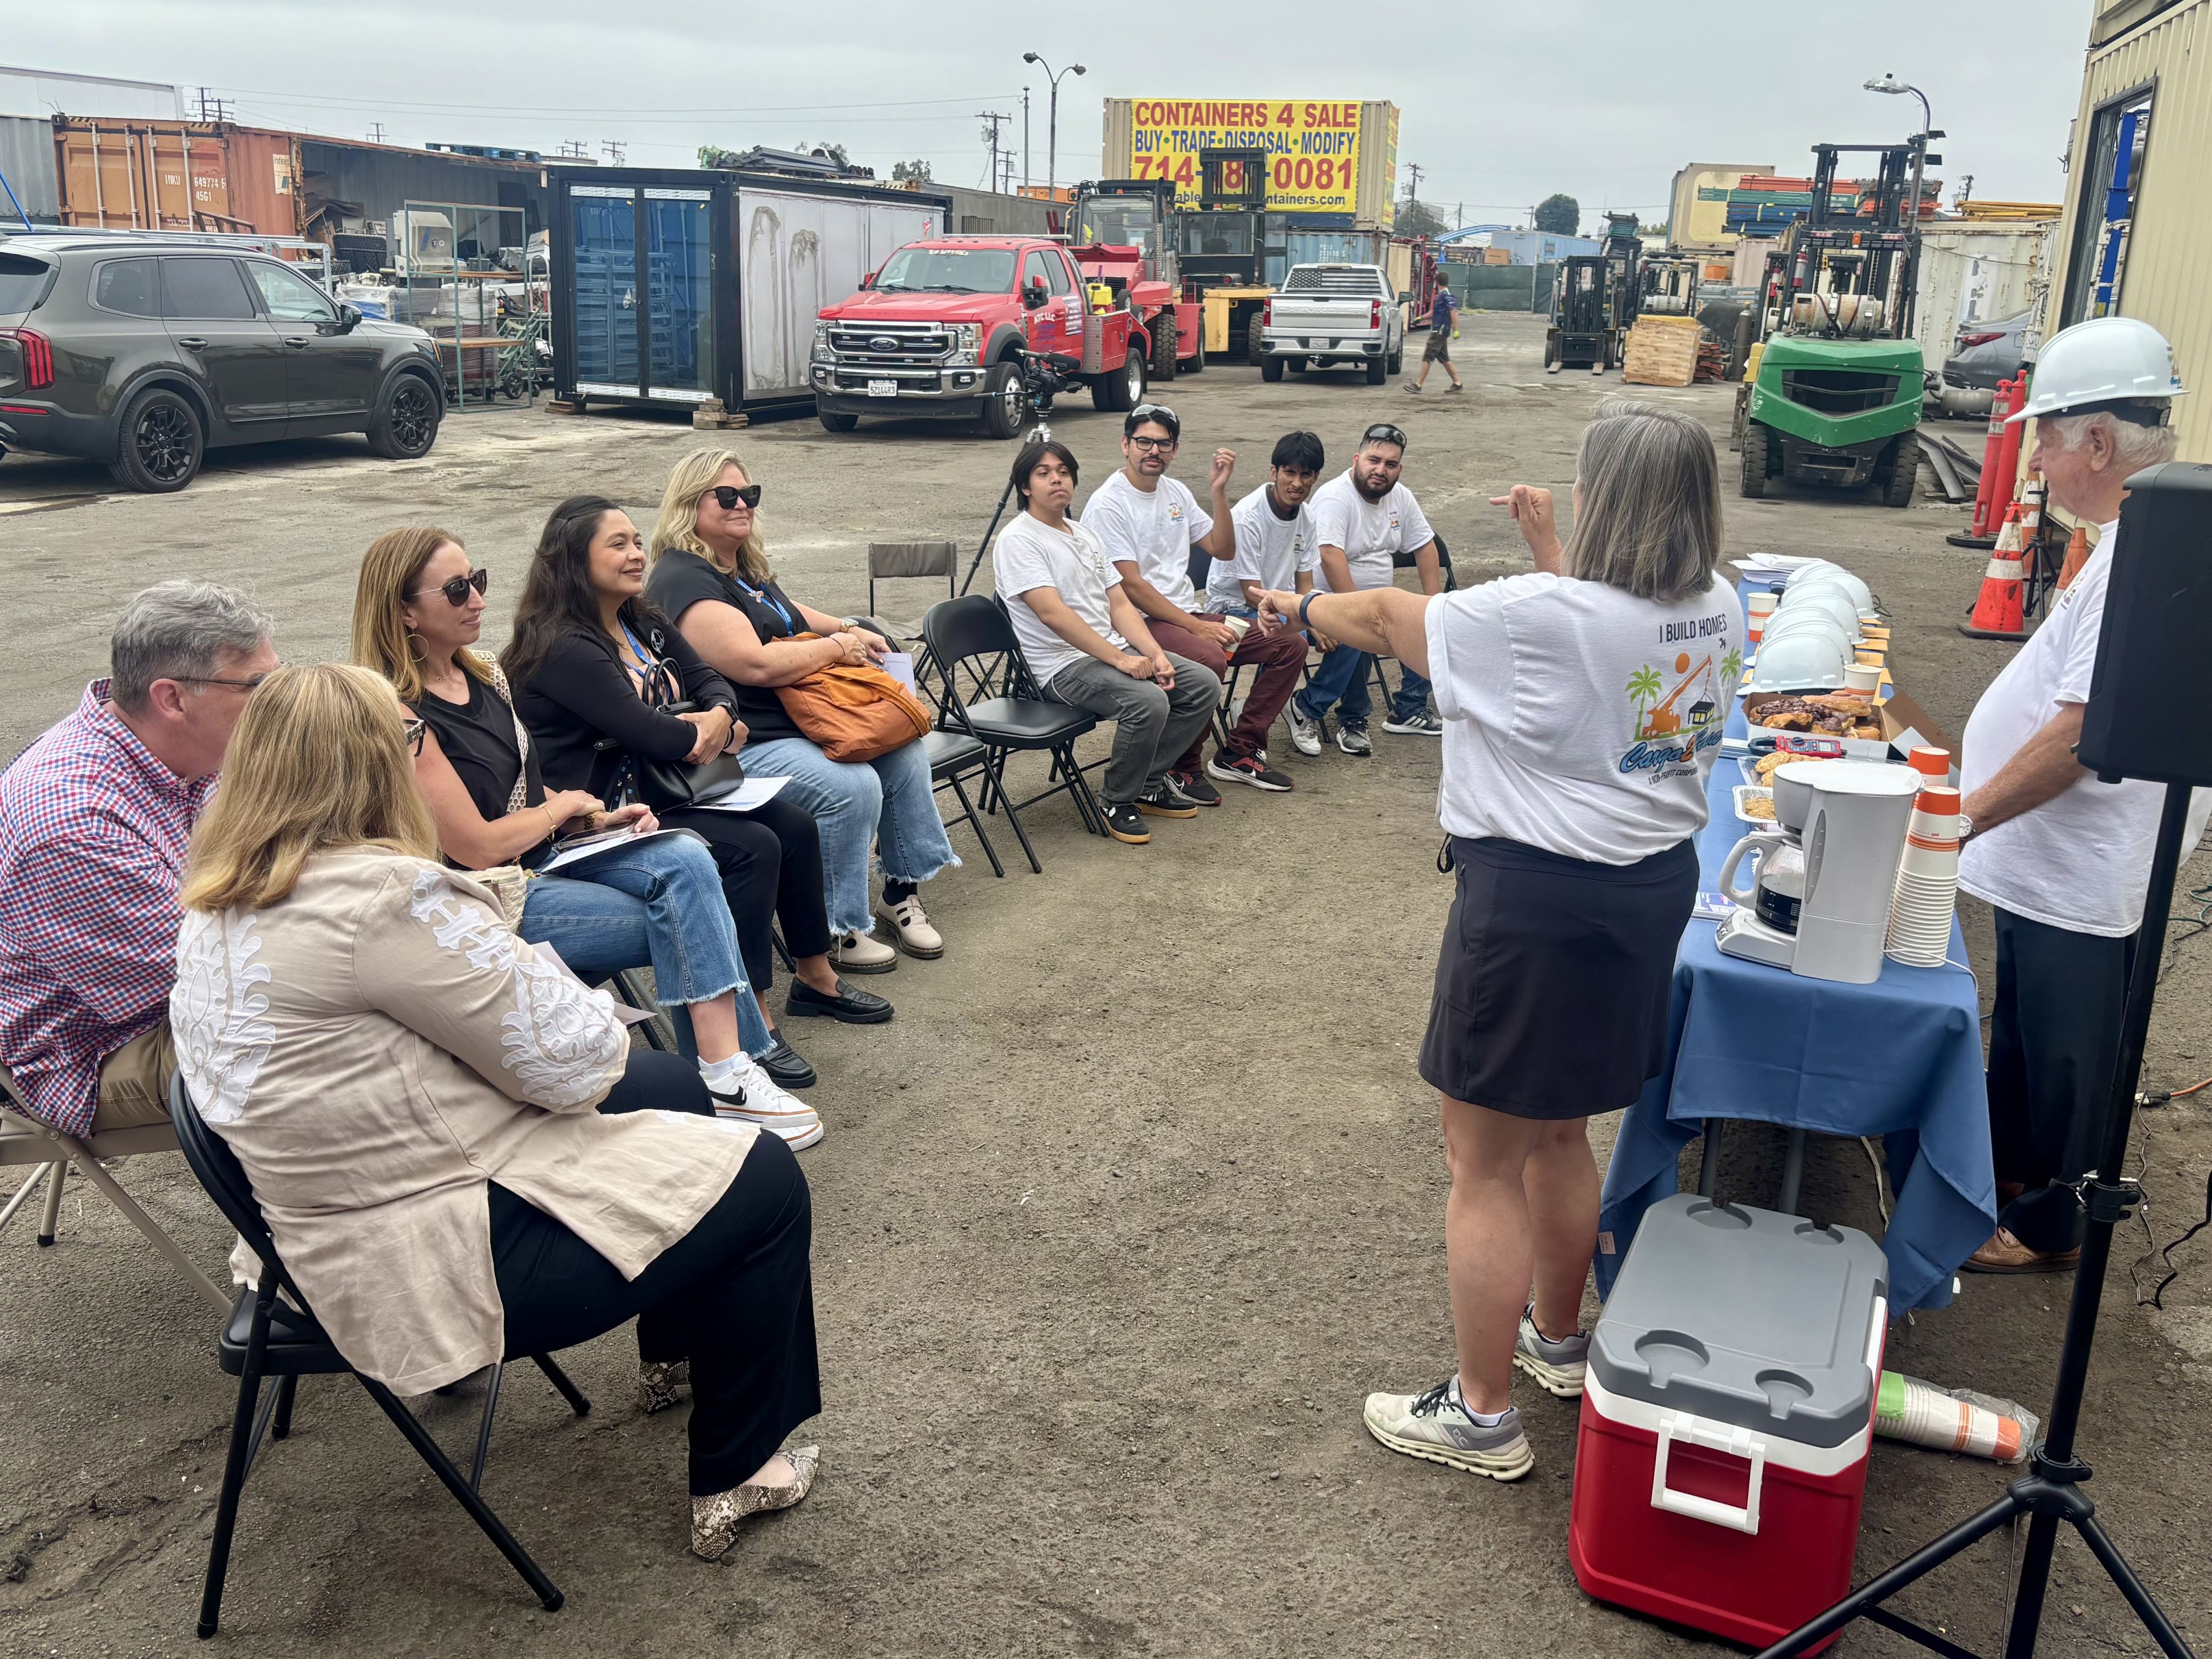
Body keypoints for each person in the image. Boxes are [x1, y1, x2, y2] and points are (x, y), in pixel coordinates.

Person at [167, 664, 820, 1562]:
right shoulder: (382, 899)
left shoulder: (223, 895)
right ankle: (741, 1468)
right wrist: (579, 1003)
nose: (419, 750)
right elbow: (574, 1062)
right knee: (766, 1176)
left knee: (671, 1083)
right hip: (426, 1257)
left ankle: (677, 1356)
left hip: (310, 1229)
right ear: (375, 761)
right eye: (409, 737)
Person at [1256, 400, 1739, 1480]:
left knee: (1478, 1164)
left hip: (1537, 906)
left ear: (1601, 498)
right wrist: (1550, 551)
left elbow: (1389, 617)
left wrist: (1301, 602)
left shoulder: (1531, 614)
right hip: (1645, 891)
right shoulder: (1714, 605)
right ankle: (1556, 1338)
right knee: (1560, 1132)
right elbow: (1602, 650)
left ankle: (1480, 1415)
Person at [349, 527, 816, 1147]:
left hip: (542, 862)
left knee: (685, 856)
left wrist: (594, 819)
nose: (479, 600)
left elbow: (520, 789)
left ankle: (719, 1074)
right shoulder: (397, 711)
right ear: (405, 610)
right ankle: (727, 1073)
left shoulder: (484, 676)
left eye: (478, 581)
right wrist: (564, 808)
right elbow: (474, 846)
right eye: (457, 590)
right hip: (478, 899)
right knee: (691, 912)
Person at [1957, 316, 2206, 1274]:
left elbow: (2080, 733)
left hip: (2083, 866)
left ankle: (2051, 1223)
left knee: (2069, 1052)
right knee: (2026, 1036)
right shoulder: (2128, 540)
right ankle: (2011, 1174)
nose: (2036, 464)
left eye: (2046, 441)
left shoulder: (2144, 554)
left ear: (2096, 441)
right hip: (2051, 859)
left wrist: (1964, 817)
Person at [504, 497, 891, 1076]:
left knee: (792, 825)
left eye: (637, 541)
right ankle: (753, 1022)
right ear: (573, 559)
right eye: (618, 545)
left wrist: (718, 717)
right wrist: (709, 731)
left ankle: (816, 979)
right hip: (596, 817)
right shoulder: (562, 645)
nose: (637, 554)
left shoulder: (641, 619)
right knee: (751, 848)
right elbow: (648, 732)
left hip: (660, 792)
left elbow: (711, 680)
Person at [645, 448, 957, 971]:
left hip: (799, 721)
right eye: (726, 495)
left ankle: (900, 893)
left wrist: (846, 627)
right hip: (745, 743)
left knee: (903, 755)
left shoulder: (737, 565)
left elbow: (787, 615)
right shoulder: (684, 579)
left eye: (749, 494)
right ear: (689, 503)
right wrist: (836, 649)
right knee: (850, 787)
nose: (742, 504)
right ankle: (836, 928)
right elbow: (755, 665)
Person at [0, 581, 278, 1135]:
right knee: (338, 1041)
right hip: (94, 1050)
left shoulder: (182, 747)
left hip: (190, 979)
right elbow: (222, 978)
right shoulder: (75, 823)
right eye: (258, 686)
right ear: (171, 699)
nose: (278, 702)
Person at [991, 440, 1223, 846]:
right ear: (1025, 486)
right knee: (1148, 701)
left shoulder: (1085, 534)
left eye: (1064, 472)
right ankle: (1116, 799)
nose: (1057, 480)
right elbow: (1052, 613)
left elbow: (1119, 603)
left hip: (1109, 651)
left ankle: (1148, 783)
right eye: (1044, 474)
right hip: (1060, 666)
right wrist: (1121, 660)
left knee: (1202, 684)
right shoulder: (1019, 539)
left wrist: (1153, 653)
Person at [1081, 406, 1306, 797]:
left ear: (1175, 450)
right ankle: (1182, 766)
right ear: (1125, 445)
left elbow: (1223, 549)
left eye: (1163, 444)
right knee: (1211, 657)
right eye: (1144, 442)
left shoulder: (1177, 492)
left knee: (1290, 645)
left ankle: (1240, 752)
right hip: (1137, 623)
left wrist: (1218, 492)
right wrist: (1196, 626)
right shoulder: (1109, 503)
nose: (1154, 451)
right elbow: (1130, 587)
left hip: (1185, 614)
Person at [1286, 424, 1447, 754]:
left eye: (1390, 464)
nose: (1381, 470)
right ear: (1357, 460)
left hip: (1378, 604)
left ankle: (1409, 709)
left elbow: (1425, 546)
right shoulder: (1336, 497)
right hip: (1329, 601)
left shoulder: (1401, 497)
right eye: (1374, 461)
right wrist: (1358, 608)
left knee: (1434, 622)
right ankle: (1345, 716)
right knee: (1358, 633)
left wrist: (1433, 603)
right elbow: (1329, 556)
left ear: (1399, 469)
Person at [1407, 286, 1464, 394]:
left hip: (1439, 332)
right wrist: (1421, 318)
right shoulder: (1441, 296)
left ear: (1437, 283)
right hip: (1439, 332)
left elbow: (1454, 311)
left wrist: (1456, 329)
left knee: (1427, 358)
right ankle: (1457, 384)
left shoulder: (1446, 296)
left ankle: (1418, 385)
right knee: (1444, 359)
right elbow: (1435, 312)